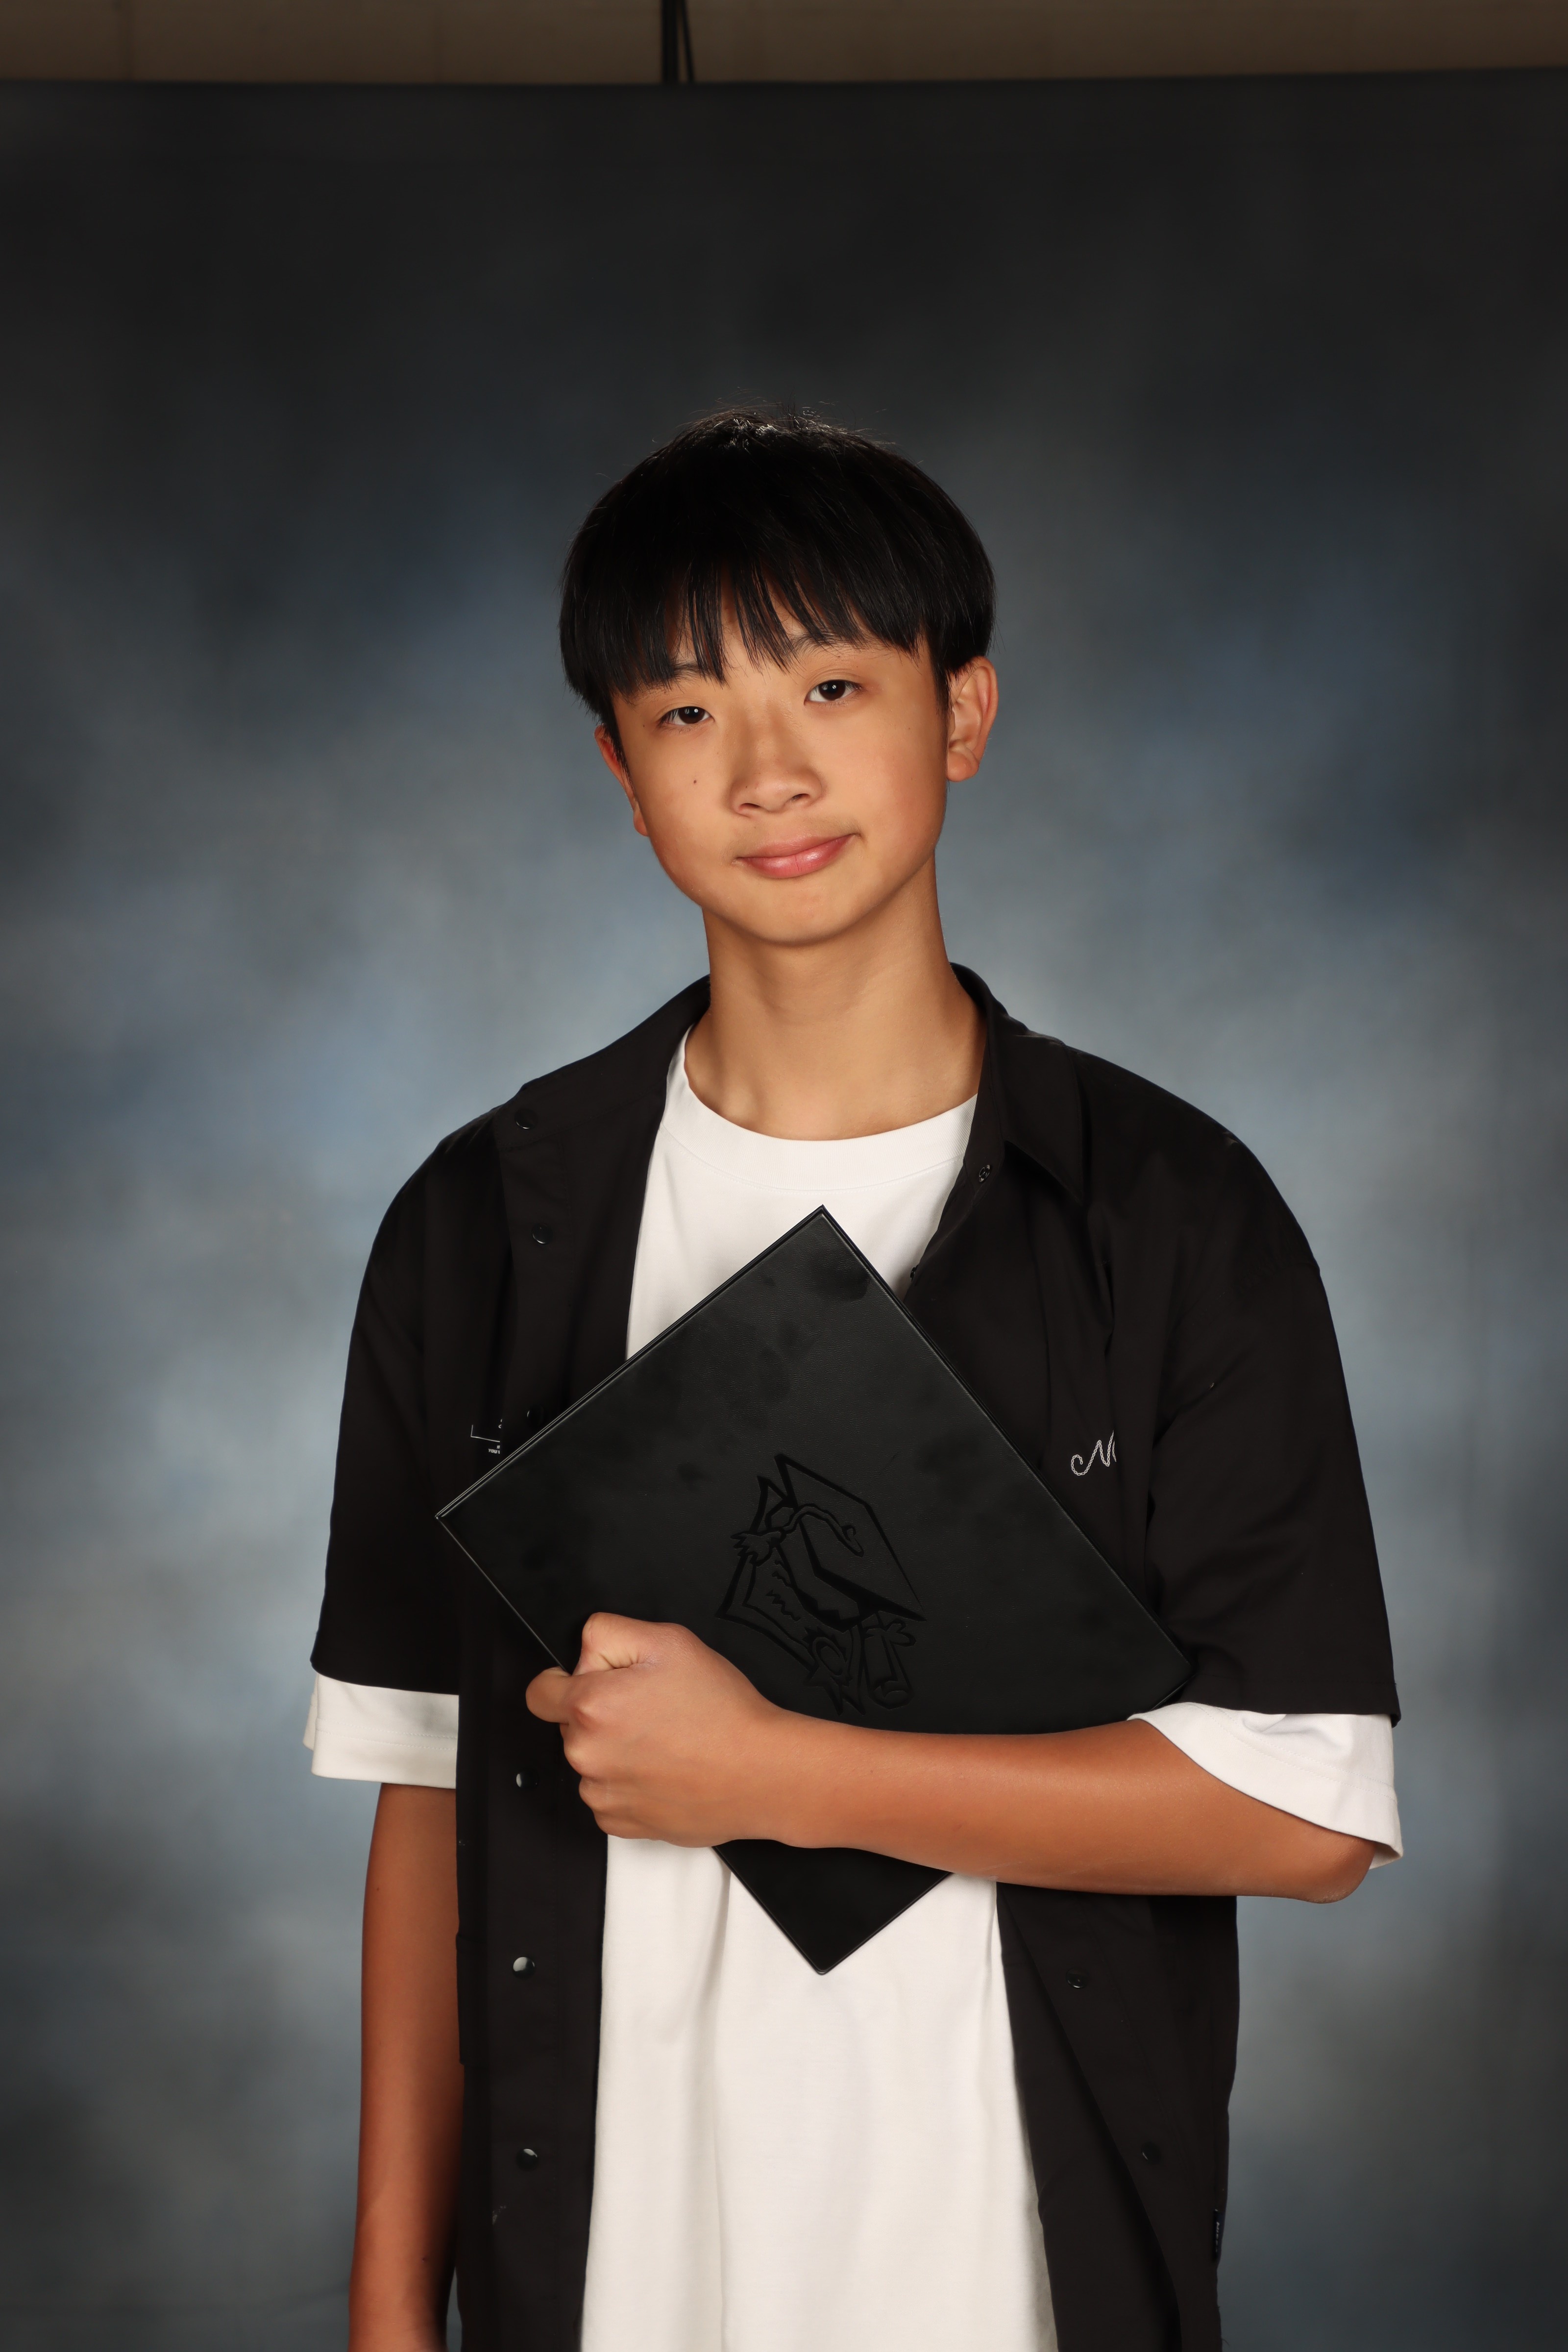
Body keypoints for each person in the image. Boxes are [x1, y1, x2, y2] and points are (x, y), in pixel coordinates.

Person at [306, 409, 1401, 2352]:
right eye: (688, 712)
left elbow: (1302, 1812)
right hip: (609, 2259)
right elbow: (425, 1801)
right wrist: (392, 2315)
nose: (770, 773)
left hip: (1004, 2258)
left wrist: (777, 1776)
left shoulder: (1164, 1214)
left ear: (960, 711)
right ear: (618, 770)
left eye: (830, 686)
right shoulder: (486, 1224)